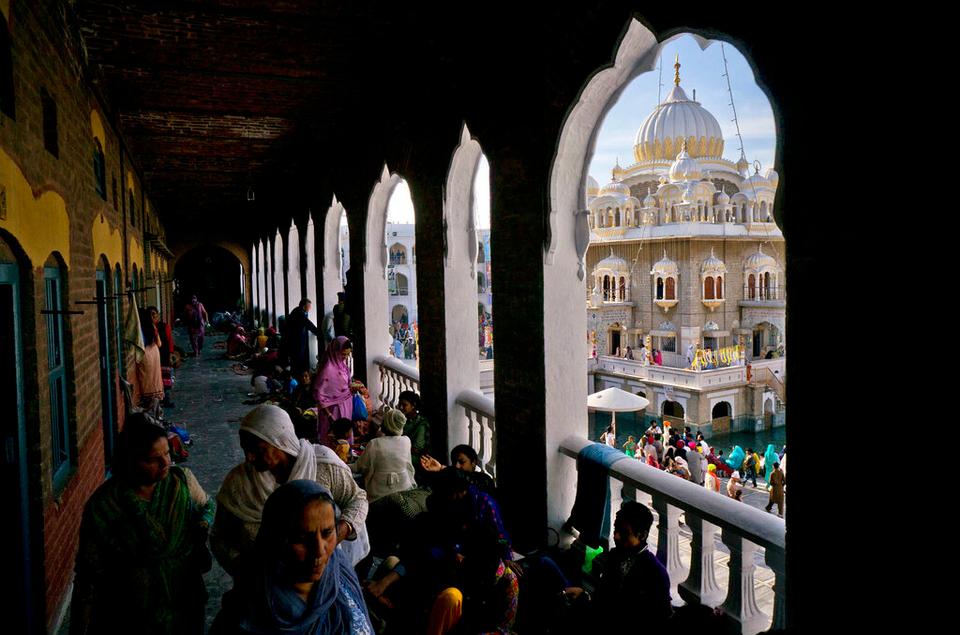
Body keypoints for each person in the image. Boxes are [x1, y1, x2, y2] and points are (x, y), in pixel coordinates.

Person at [70, 414, 214, 635]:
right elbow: (89, 573)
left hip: (185, 600)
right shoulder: (104, 505)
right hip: (128, 612)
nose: (165, 463)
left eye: (166, 453)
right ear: (129, 461)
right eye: (152, 459)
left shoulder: (180, 483)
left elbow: (208, 505)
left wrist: (203, 523)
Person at [211, 404, 370, 572]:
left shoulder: (322, 465)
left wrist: (335, 535)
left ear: (279, 441)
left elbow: (357, 499)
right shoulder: (239, 483)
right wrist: (243, 569)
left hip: (323, 568)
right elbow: (220, 536)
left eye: (257, 450)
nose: (249, 458)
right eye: (245, 450)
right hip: (265, 578)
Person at [211, 480, 373, 634]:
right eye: (302, 539)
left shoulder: (339, 571)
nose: (319, 550)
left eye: (327, 533)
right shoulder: (247, 611)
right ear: (276, 540)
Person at [562, 501, 672, 632]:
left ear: (642, 535)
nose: (616, 536)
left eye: (624, 533)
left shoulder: (655, 573)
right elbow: (603, 600)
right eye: (615, 529)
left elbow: (659, 619)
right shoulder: (614, 556)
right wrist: (584, 595)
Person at [355, 408, 416, 501]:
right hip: (404, 489)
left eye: (383, 420)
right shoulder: (406, 441)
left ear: (387, 423)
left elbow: (359, 467)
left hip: (379, 495)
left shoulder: (375, 443)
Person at [312, 336, 355, 443]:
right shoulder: (327, 370)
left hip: (345, 406)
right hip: (332, 410)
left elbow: (345, 384)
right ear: (335, 351)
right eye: (343, 354)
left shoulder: (342, 365)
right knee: (333, 439)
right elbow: (319, 395)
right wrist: (329, 415)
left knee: (344, 437)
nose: (345, 357)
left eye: (347, 354)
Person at [137, 307, 165, 416]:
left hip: (144, 355)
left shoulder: (139, 328)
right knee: (155, 381)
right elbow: (159, 343)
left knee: (146, 382)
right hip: (153, 353)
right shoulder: (152, 327)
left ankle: (151, 410)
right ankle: (155, 411)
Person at [283, 298, 320, 374]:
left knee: (296, 360)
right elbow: (308, 324)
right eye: (309, 306)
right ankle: (298, 376)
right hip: (296, 341)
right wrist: (319, 332)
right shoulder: (299, 313)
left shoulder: (297, 310)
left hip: (294, 340)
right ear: (304, 306)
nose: (310, 309)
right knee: (297, 360)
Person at [398, 390, 431, 464]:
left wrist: (396, 447)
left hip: (413, 457)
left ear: (413, 406)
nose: (400, 407)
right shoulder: (400, 418)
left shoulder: (421, 424)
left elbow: (417, 449)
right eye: (399, 404)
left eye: (404, 405)